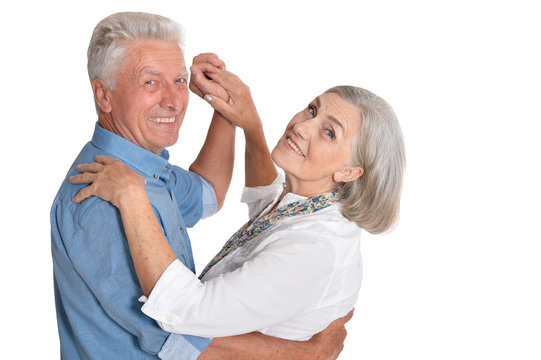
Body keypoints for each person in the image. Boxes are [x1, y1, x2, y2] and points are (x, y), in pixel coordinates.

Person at [51, 11, 352, 360]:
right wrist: (307, 354)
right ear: (104, 96)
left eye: (179, 80)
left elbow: (208, 191)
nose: (174, 101)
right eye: (150, 82)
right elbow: (171, 334)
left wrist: (221, 105)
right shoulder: (101, 199)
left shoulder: (141, 170)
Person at [70, 57, 406, 347]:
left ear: (349, 171)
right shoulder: (308, 203)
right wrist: (248, 122)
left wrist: (132, 197)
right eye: (312, 109)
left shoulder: (315, 250)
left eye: (329, 132)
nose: (302, 126)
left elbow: (182, 312)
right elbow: (267, 205)